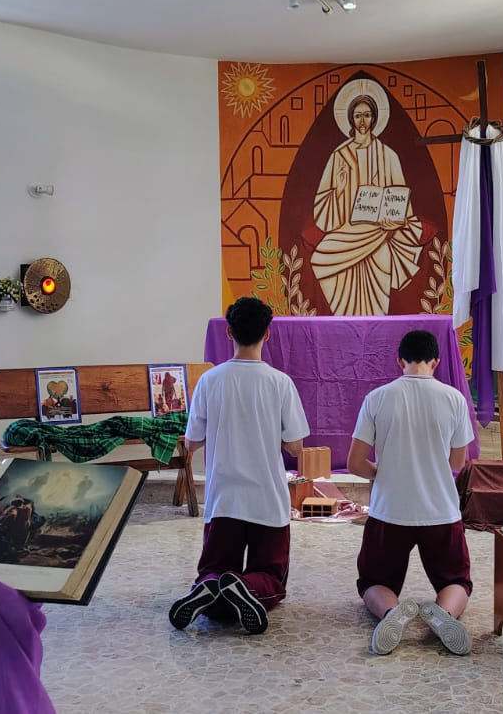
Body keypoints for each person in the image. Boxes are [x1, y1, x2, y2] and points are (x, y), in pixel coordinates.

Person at [168, 297, 309, 635]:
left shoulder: (210, 380)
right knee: (271, 578)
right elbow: (295, 446)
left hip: (223, 499)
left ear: (229, 332)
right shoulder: (280, 382)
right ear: (268, 333)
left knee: (214, 569)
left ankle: (211, 585)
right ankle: (247, 587)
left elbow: (192, 442)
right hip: (267, 500)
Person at [348, 329, 475, 655]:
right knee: (456, 581)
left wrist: (382, 473)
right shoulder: (454, 399)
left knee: (373, 581)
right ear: (436, 361)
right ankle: (444, 614)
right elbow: (457, 462)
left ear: (399, 360)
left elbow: (355, 463)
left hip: (390, 510)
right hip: (440, 511)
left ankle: (391, 613)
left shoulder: (378, 398)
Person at [310, 85, 424, 316]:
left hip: (379, 234)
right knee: (320, 258)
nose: (363, 121)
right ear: (351, 118)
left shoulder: (388, 155)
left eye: (367, 115)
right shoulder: (339, 156)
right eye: (358, 115)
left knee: (376, 304)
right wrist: (339, 189)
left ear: (375, 118)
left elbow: (402, 202)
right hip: (346, 233)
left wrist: (395, 222)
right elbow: (321, 206)